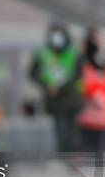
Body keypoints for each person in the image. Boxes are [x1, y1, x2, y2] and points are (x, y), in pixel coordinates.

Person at [29, 23, 82, 151]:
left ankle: (70, 155)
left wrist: (63, 86)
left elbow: (79, 74)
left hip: (71, 98)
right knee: (59, 129)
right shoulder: (43, 53)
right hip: (53, 99)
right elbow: (33, 73)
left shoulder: (73, 53)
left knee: (71, 130)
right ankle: (62, 155)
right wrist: (46, 84)